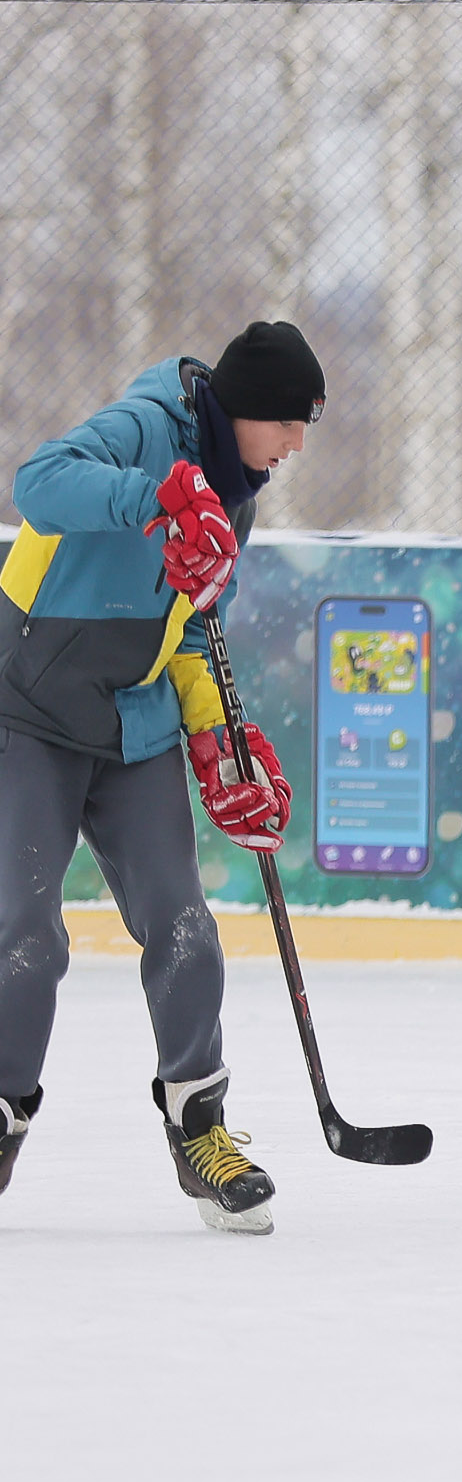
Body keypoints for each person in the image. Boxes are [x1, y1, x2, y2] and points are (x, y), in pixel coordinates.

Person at [0, 322, 322, 1234]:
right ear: (246, 409)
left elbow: (185, 630)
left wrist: (222, 740)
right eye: (291, 424)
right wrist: (161, 495)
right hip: (28, 709)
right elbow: (38, 484)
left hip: (133, 723)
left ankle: (201, 1128)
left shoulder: (239, 497)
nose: (296, 445)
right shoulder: (146, 427)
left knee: (185, 927)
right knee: (27, 936)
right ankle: (2, 1114)